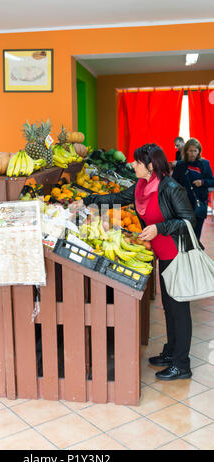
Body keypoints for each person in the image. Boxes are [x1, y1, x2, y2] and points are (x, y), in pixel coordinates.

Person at [72, 143, 196, 381]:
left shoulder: (171, 188)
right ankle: (171, 352)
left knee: (179, 309)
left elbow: (187, 221)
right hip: (163, 254)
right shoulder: (141, 186)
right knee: (169, 306)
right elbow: (117, 197)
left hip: (178, 254)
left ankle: (182, 364)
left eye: (137, 162)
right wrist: (87, 201)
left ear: (150, 165)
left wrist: (159, 228)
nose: (133, 165)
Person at [172, 138, 214, 240]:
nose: (192, 153)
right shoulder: (180, 165)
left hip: (199, 205)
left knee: (196, 236)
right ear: (186, 151)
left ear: (199, 151)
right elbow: (173, 183)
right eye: (190, 150)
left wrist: (202, 182)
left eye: (195, 151)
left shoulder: (204, 164)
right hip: (183, 206)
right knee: (184, 236)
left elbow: (212, 181)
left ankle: (195, 254)